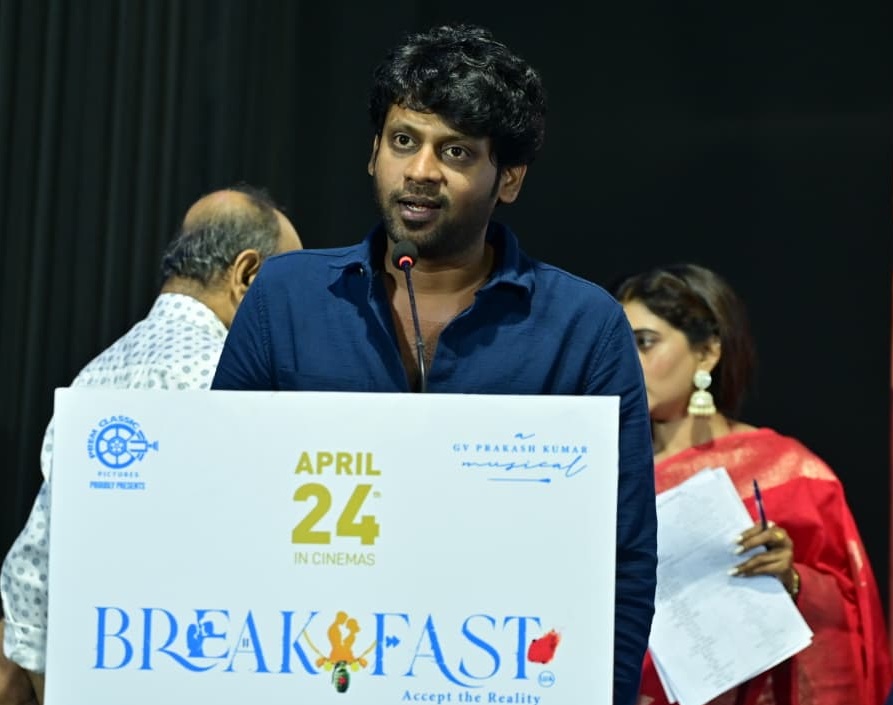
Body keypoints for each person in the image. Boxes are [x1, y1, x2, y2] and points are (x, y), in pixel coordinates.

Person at [211, 23, 657, 705]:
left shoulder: (583, 326)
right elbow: (221, 496)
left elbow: (622, 557)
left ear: (508, 179)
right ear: (373, 154)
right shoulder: (285, 296)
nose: (421, 170)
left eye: (455, 151)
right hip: (307, 669)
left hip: (498, 679)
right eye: (403, 141)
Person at [0, 184, 302, 704]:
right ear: (248, 275)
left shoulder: (91, 379)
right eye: (290, 289)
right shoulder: (235, 387)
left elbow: (32, 571)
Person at [614, 263, 893, 705]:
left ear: (707, 353)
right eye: (617, 344)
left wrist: (791, 579)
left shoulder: (790, 472)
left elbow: (850, 613)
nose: (627, 360)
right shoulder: (604, 472)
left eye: (644, 342)